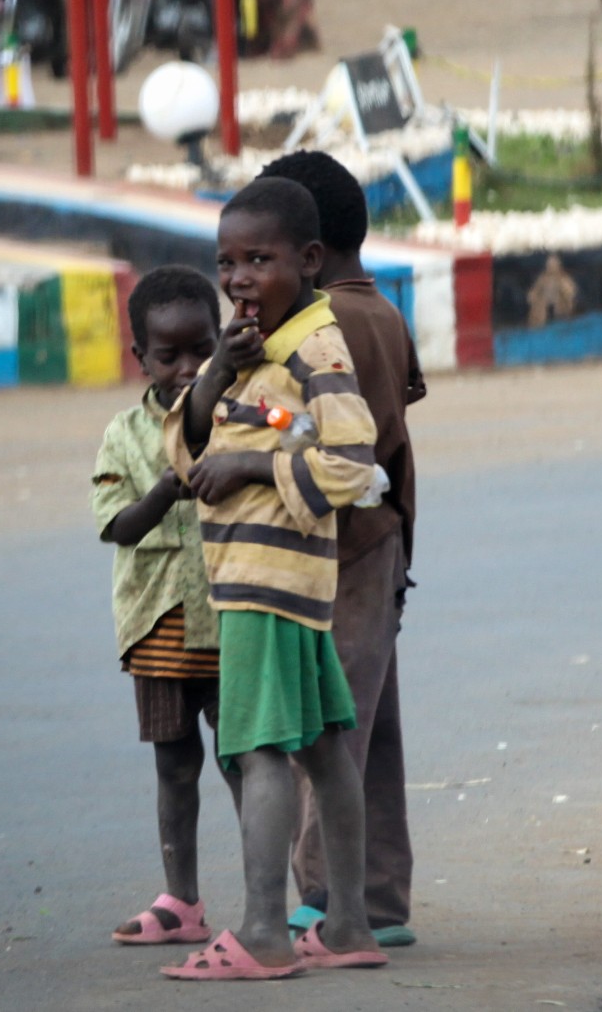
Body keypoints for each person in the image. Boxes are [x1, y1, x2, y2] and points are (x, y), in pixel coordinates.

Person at [159, 178, 385, 981]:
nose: (240, 277)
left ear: (310, 260)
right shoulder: (255, 348)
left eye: (260, 258)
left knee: (258, 749)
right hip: (276, 580)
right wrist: (216, 373)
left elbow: (351, 463)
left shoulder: (316, 348)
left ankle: (261, 930)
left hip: (268, 579)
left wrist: (254, 461)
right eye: (227, 261)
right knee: (325, 749)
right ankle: (349, 923)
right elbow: (184, 457)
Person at [254, 151, 425, 954]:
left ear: (306, 248)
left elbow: (322, 438)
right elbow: (399, 433)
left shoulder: (328, 325)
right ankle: (382, 897)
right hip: (383, 541)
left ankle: (325, 893)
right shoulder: (382, 312)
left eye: (262, 254)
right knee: (370, 726)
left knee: (329, 733)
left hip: (340, 548)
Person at [93, 267, 235, 950]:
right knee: (175, 767)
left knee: (246, 761)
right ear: (140, 359)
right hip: (158, 630)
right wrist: (162, 493)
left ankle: (279, 898)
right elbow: (116, 524)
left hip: (232, 620)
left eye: (201, 351)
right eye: (168, 355)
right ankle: (182, 899)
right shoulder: (122, 433)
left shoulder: (239, 415)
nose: (187, 368)